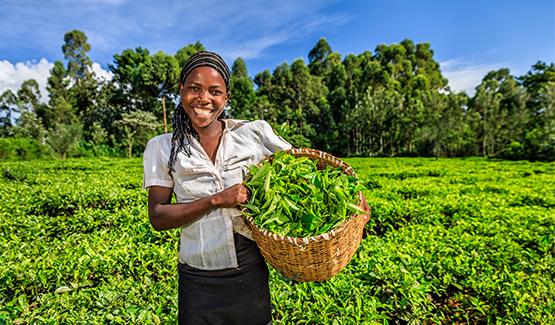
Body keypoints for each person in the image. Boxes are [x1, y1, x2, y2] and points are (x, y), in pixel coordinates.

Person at [142, 51, 291, 324]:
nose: (204, 99)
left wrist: (355, 203)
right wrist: (216, 200)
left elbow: (304, 168)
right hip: (198, 278)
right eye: (194, 88)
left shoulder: (253, 134)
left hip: (250, 273)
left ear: (226, 98)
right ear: (181, 91)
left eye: (215, 91)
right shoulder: (162, 147)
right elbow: (158, 217)